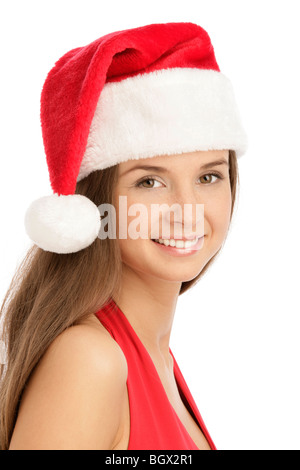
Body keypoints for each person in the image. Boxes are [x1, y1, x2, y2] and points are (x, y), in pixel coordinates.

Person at [0, 22, 247, 450]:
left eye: (209, 176)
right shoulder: (90, 361)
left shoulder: (156, 355)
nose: (187, 210)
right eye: (150, 182)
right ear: (95, 204)